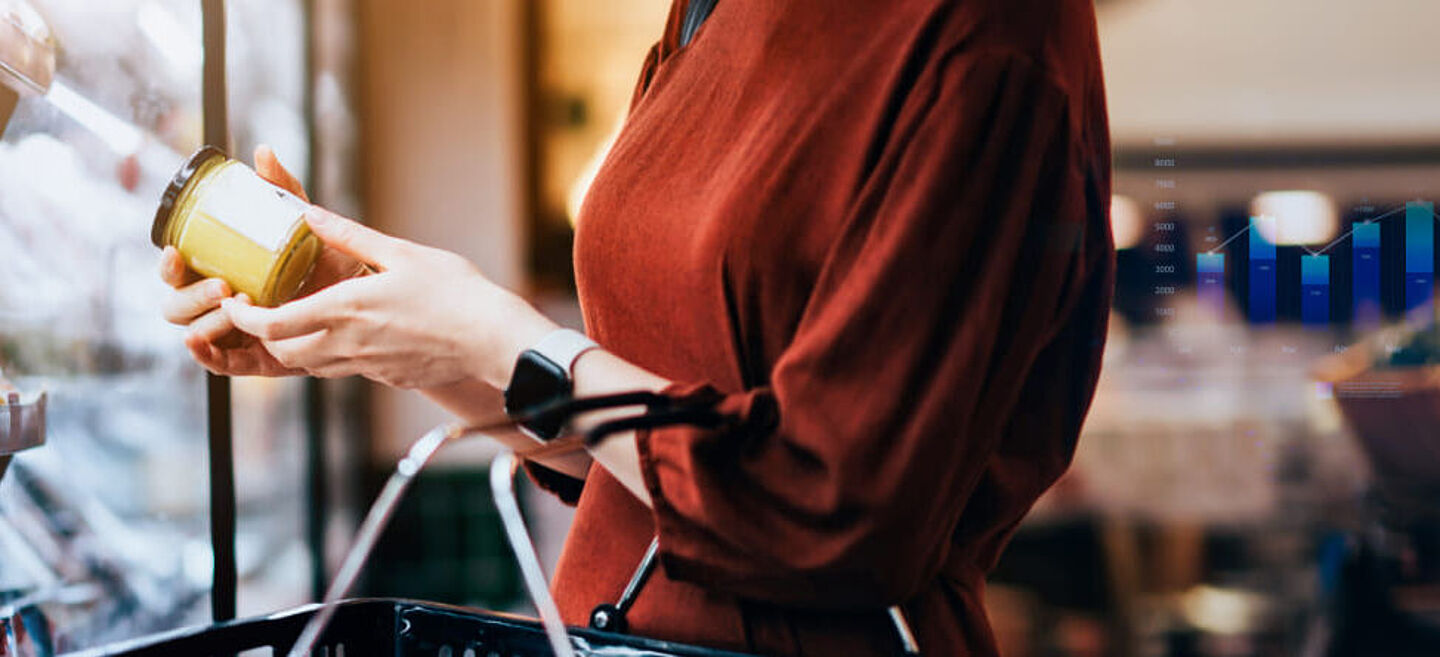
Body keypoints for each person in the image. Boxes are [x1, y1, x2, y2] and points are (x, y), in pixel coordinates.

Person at [161, 0, 1114, 654]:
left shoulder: (988, 35)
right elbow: (658, 458)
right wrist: (375, 320)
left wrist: (495, 334)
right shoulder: (708, 9)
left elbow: (834, 507)